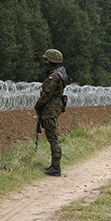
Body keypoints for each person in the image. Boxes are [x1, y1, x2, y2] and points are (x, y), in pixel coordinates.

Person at [35, 49, 69, 177]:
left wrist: (37, 105)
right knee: (53, 136)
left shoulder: (54, 76)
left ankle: (55, 167)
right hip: (54, 107)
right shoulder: (60, 73)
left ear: (52, 61)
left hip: (50, 108)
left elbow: (46, 94)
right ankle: (54, 166)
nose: (45, 61)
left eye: (47, 59)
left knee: (53, 137)